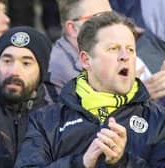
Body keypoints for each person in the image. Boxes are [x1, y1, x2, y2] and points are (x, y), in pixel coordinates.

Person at [15, 11, 165, 168]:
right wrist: (81, 164)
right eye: (113, 48)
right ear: (86, 60)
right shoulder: (45, 120)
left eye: (130, 49)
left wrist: (122, 162)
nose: (124, 56)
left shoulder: (159, 121)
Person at [48, 0, 151, 94]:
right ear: (73, 28)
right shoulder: (59, 69)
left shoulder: (124, 53)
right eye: (100, 18)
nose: (113, 25)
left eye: (111, 16)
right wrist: (135, 96)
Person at [0, 26, 56, 167]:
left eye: (26, 63)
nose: (14, 71)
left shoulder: (57, 118)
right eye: (7, 61)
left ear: (42, 70)